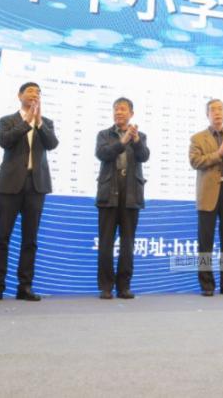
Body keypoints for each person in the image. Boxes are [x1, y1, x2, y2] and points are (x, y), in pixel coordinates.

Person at [0, 81, 58, 302]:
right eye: (30, 91)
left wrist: (39, 122)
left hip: (36, 186)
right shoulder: (7, 120)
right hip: (9, 185)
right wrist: (27, 121)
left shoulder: (46, 122)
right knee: (2, 237)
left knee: (30, 239)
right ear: (20, 96)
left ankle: (25, 286)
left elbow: (52, 144)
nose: (34, 94)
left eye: (38, 92)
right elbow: (5, 141)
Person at [94, 97, 150, 299]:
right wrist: (122, 142)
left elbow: (144, 156)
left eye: (123, 109)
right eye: (116, 109)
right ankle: (106, 287)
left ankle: (124, 286)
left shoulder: (140, 136)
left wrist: (135, 141)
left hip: (131, 193)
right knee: (106, 243)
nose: (118, 112)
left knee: (128, 243)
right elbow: (102, 154)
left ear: (131, 114)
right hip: (109, 192)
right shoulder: (104, 134)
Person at [189, 99, 223, 296]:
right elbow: (195, 162)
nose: (217, 113)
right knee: (205, 242)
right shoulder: (197, 138)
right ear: (207, 114)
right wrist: (219, 153)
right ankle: (207, 285)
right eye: (213, 110)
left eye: (221, 109)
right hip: (207, 194)